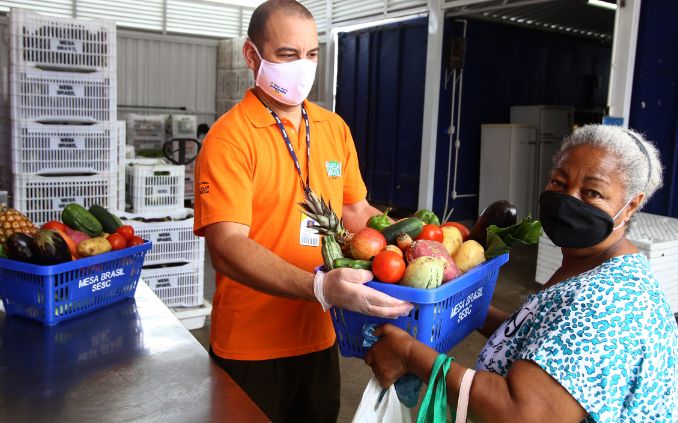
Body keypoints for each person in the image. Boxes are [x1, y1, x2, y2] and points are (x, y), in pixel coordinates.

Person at [365, 124, 678, 422]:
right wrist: (460, 307)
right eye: (559, 182)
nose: (569, 198)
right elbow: (539, 339)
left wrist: (409, 354)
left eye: (593, 192)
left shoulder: (611, 302)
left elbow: (520, 413)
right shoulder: (596, 266)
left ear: (632, 204)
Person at [192, 1, 412, 421]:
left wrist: (408, 243)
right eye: (287, 54)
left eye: (311, 54)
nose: (302, 67)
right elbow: (227, 245)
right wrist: (321, 288)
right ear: (251, 55)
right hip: (251, 345)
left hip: (320, 335)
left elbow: (355, 209)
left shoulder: (333, 128)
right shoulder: (230, 139)